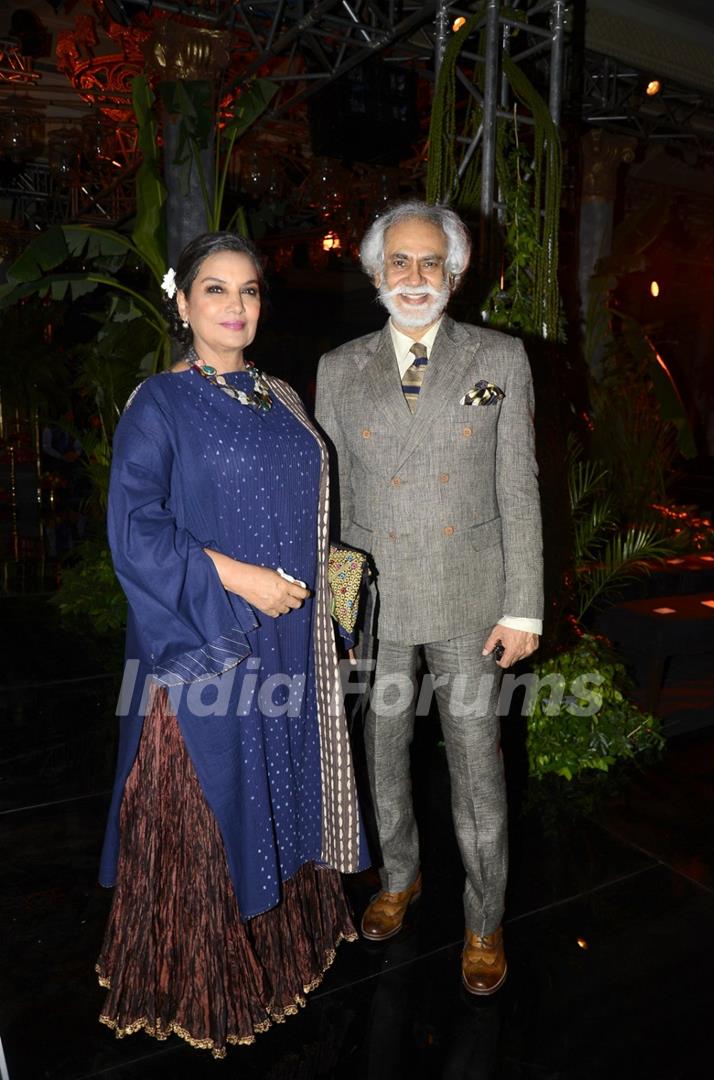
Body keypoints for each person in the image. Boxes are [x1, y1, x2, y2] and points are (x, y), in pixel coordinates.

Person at [96, 231, 368, 1057]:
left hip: (291, 641)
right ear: (183, 304)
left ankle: (285, 948)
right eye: (215, 291)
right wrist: (239, 578)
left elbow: (313, 506)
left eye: (248, 291)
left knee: (283, 783)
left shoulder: (278, 392)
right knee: (217, 793)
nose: (236, 307)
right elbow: (134, 531)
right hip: (211, 637)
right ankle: (198, 973)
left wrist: (339, 598)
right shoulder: (160, 402)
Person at [314, 201, 542, 996]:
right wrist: (339, 617)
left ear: (457, 272)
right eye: (400, 263)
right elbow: (333, 506)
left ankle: (484, 920)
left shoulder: (500, 357)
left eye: (431, 263)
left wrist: (525, 607)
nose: (416, 278)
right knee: (383, 759)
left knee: (478, 767)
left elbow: (520, 488)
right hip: (378, 605)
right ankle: (399, 879)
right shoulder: (339, 367)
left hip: (470, 600)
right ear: (376, 272)